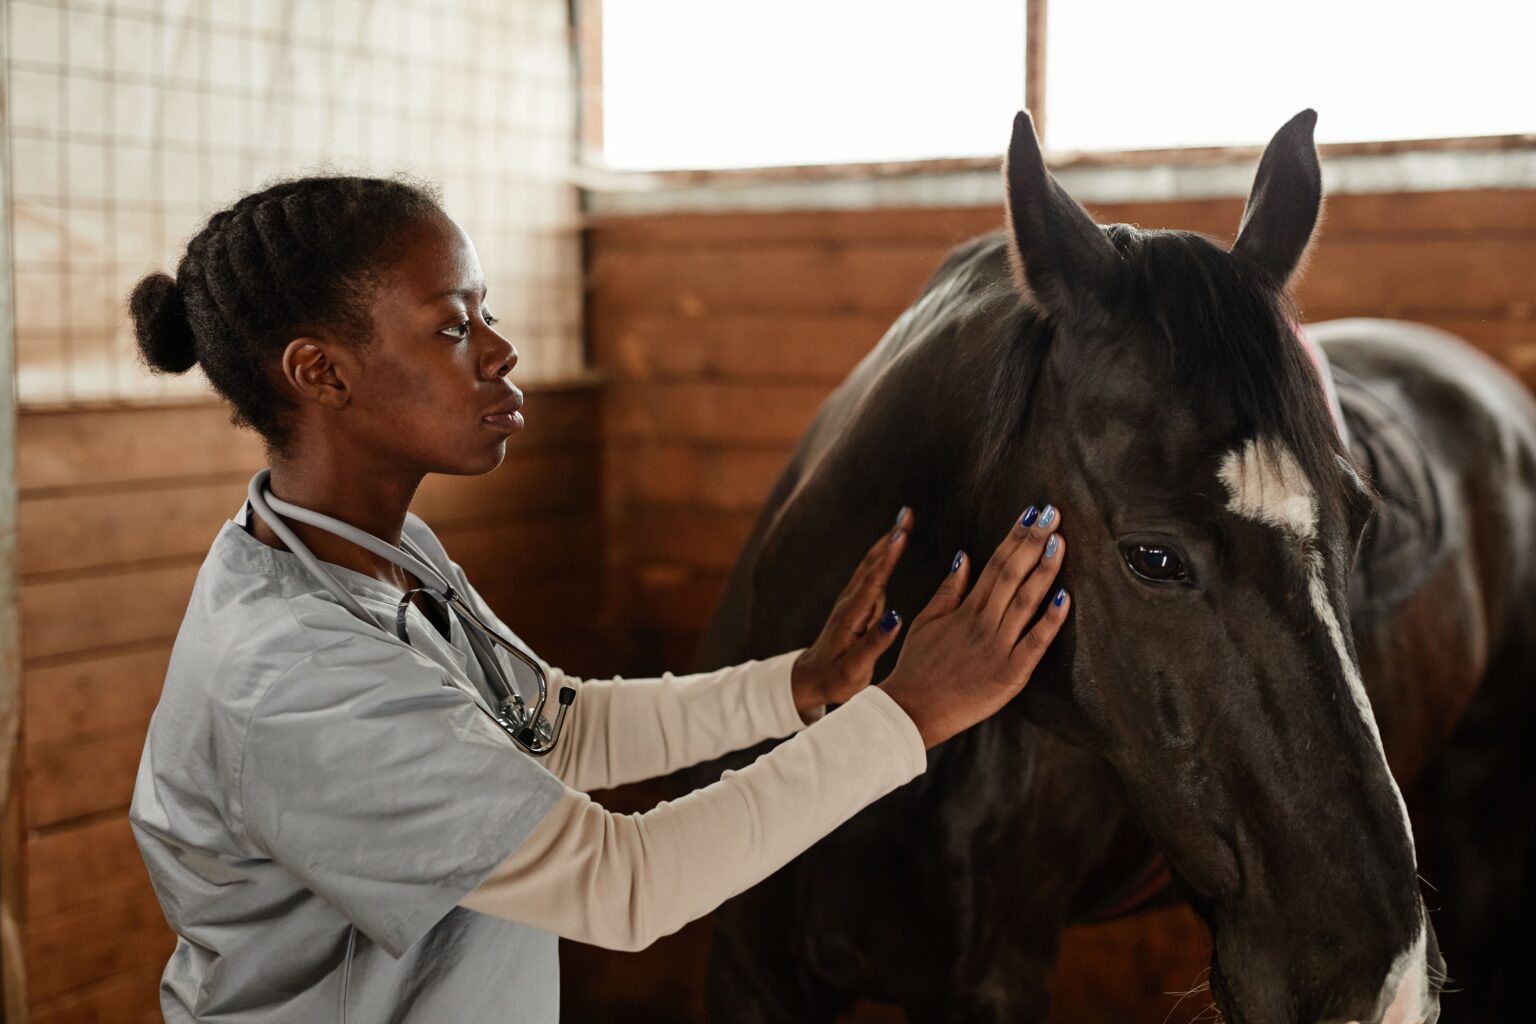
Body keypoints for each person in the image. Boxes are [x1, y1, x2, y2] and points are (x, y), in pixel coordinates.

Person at [126, 176, 1072, 1023]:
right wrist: (911, 714)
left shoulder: (380, 553)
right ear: (320, 372)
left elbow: (553, 731)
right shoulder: (297, 677)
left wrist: (801, 686)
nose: (500, 351)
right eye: (454, 326)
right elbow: (627, 886)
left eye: (485, 312)